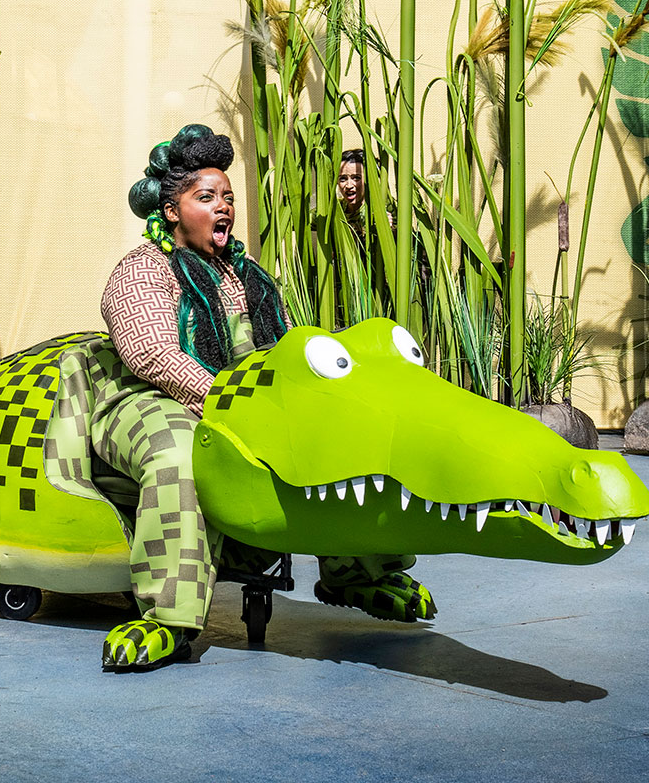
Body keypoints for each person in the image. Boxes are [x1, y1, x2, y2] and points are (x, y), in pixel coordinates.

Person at [95, 123, 434, 660]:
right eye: (206, 197)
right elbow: (152, 356)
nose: (223, 207)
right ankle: (170, 615)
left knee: (340, 435)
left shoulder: (247, 274)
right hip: (147, 399)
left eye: (228, 197)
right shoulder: (142, 271)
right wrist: (230, 404)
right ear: (171, 211)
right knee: (181, 455)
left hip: (236, 398)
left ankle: (356, 573)